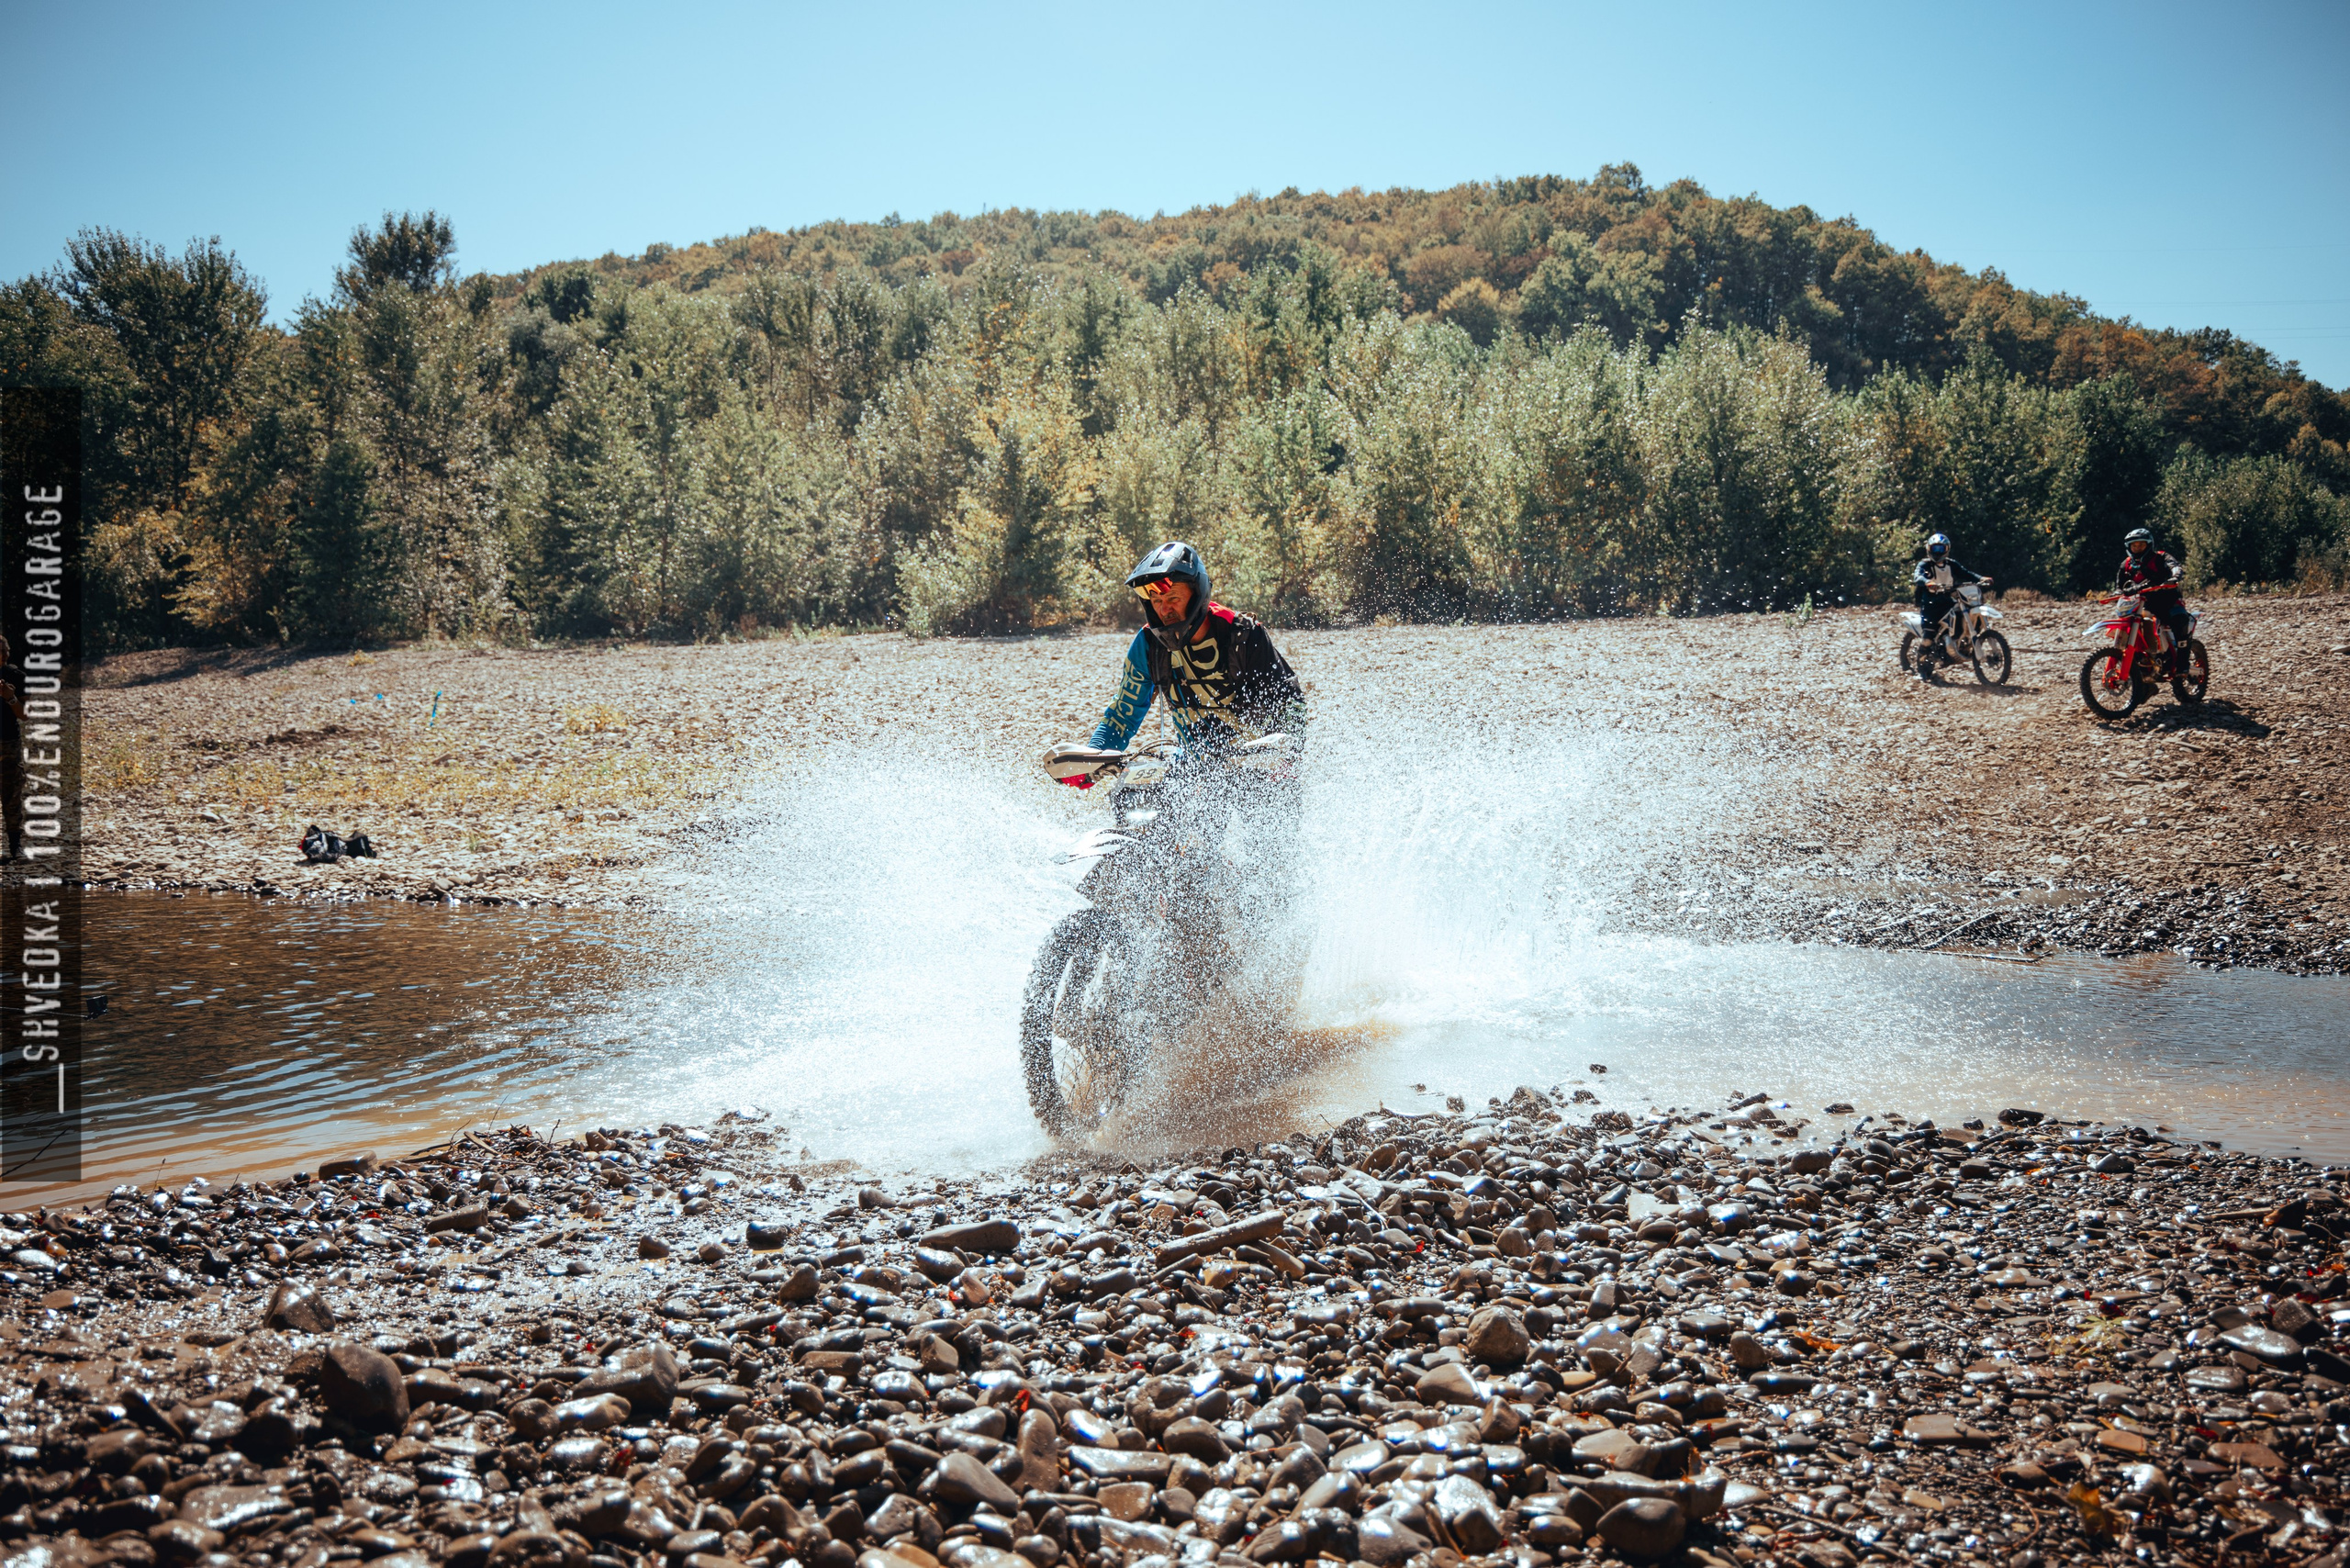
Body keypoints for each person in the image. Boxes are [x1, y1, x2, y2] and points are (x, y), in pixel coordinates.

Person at [1083, 541, 1308, 898]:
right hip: (1197, 766)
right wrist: (1094, 757)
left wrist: (1285, 749)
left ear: (1198, 594)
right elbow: (1122, 715)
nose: (1165, 609)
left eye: (1173, 599)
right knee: (1154, 832)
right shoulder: (1147, 645)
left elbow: (1290, 705)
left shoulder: (1241, 634)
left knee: (1269, 875)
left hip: (1263, 766)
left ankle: (1274, 935)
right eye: (1156, 602)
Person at [1910, 532, 1990, 678]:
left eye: (1941, 549)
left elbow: (1967, 573)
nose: (1938, 552)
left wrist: (1981, 578)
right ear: (1929, 549)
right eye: (1935, 549)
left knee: (1962, 614)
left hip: (1948, 601)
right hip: (1931, 605)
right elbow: (1918, 576)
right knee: (1928, 636)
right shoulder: (1924, 564)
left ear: (1947, 549)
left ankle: (1959, 642)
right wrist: (1928, 582)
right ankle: (1921, 667)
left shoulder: (1951, 564)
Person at [2117, 527, 2193, 677]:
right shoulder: (2126, 564)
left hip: (2167, 600)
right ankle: (2142, 665)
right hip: (2142, 604)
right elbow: (2119, 586)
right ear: (2129, 547)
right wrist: (2117, 593)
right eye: (2134, 546)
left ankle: (2183, 664)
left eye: (2141, 545)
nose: (2137, 548)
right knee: (2130, 627)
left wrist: (2174, 578)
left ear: (2149, 545)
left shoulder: (2161, 557)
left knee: (2180, 620)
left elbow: (2175, 567)